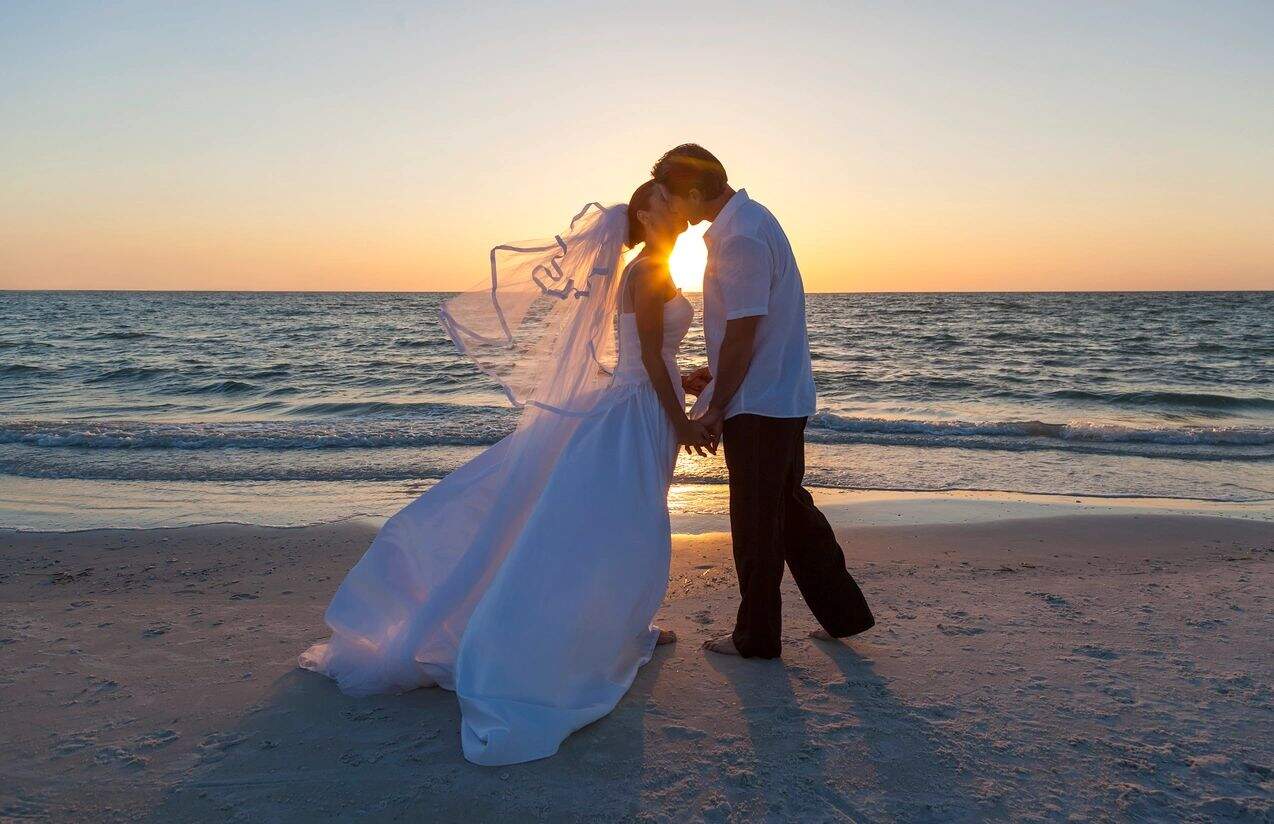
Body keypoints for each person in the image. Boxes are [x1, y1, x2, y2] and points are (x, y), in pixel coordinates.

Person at [299, 180, 712, 765]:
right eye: (668, 199)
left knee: (628, 522)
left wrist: (684, 380)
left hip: (647, 404)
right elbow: (644, 358)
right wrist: (685, 420)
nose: (680, 207)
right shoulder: (647, 272)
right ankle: (571, 637)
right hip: (638, 412)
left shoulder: (659, 266)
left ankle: (624, 626)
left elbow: (657, 355)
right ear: (645, 212)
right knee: (629, 524)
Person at [653, 144, 875, 659]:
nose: (671, 208)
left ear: (691, 191)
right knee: (788, 510)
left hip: (761, 402)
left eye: (670, 196)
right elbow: (752, 327)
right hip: (776, 391)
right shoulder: (749, 221)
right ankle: (844, 614)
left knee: (756, 521)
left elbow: (744, 330)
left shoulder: (741, 236)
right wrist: (716, 374)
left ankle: (756, 637)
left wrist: (714, 406)